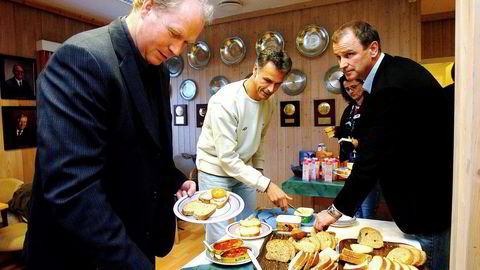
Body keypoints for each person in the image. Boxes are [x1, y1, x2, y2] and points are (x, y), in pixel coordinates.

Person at [25, 0, 213, 269]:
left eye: (186, 43)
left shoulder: (159, 70)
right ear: (146, 6)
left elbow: (147, 147)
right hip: (82, 255)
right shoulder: (82, 58)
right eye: (174, 34)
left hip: (134, 241)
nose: (176, 50)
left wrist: (175, 180)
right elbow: (73, 189)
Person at [314, 21, 453, 270]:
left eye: (349, 54)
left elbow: (371, 158)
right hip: (427, 200)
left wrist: (333, 211)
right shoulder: (392, 72)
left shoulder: (390, 86)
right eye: (338, 57)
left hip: (425, 204)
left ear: (373, 49)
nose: (343, 64)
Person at [196, 48, 293, 244]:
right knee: (219, 234)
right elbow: (227, 159)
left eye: (278, 84)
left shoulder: (269, 101)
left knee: (249, 225)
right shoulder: (225, 102)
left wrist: (257, 170)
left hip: (244, 168)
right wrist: (265, 183)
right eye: (267, 80)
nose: (271, 89)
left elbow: (260, 137)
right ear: (255, 68)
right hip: (215, 171)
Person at [327, 75, 380, 219]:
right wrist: (337, 131)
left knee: (367, 211)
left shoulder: (374, 105)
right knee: (352, 210)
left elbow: (376, 137)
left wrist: (360, 143)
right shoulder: (349, 109)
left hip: (368, 165)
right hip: (351, 163)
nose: (351, 91)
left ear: (363, 84)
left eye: (354, 87)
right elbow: (346, 132)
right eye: (347, 89)